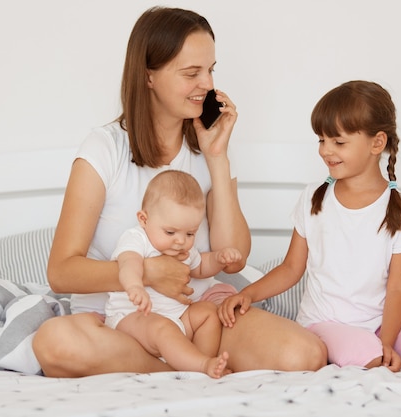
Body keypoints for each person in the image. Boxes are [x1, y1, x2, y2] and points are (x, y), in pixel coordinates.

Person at [32, 6, 327, 377]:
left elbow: (234, 259)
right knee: (54, 343)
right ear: (148, 76)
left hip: (198, 316)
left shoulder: (209, 148)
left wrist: (217, 159)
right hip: (119, 320)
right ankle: (176, 369)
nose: (206, 83)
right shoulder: (103, 149)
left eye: (210, 69)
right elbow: (61, 272)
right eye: (191, 73)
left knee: (305, 354)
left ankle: (178, 361)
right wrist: (149, 273)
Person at [218, 80, 401, 372]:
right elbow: (291, 268)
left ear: (377, 143)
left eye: (338, 142)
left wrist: (388, 341)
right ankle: (364, 348)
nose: (326, 151)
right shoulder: (314, 199)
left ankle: (379, 346)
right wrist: (247, 294)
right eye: (321, 140)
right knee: (367, 354)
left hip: (379, 324)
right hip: (325, 323)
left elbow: (399, 287)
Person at [108, 170, 240, 378]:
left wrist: (219, 259)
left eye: (190, 234)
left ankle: (196, 366)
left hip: (177, 318)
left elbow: (200, 268)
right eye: (170, 232)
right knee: (162, 328)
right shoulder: (136, 239)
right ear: (144, 219)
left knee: (207, 312)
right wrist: (134, 286)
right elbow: (128, 264)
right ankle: (202, 364)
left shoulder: (183, 249)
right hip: (133, 320)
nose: (180, 241)